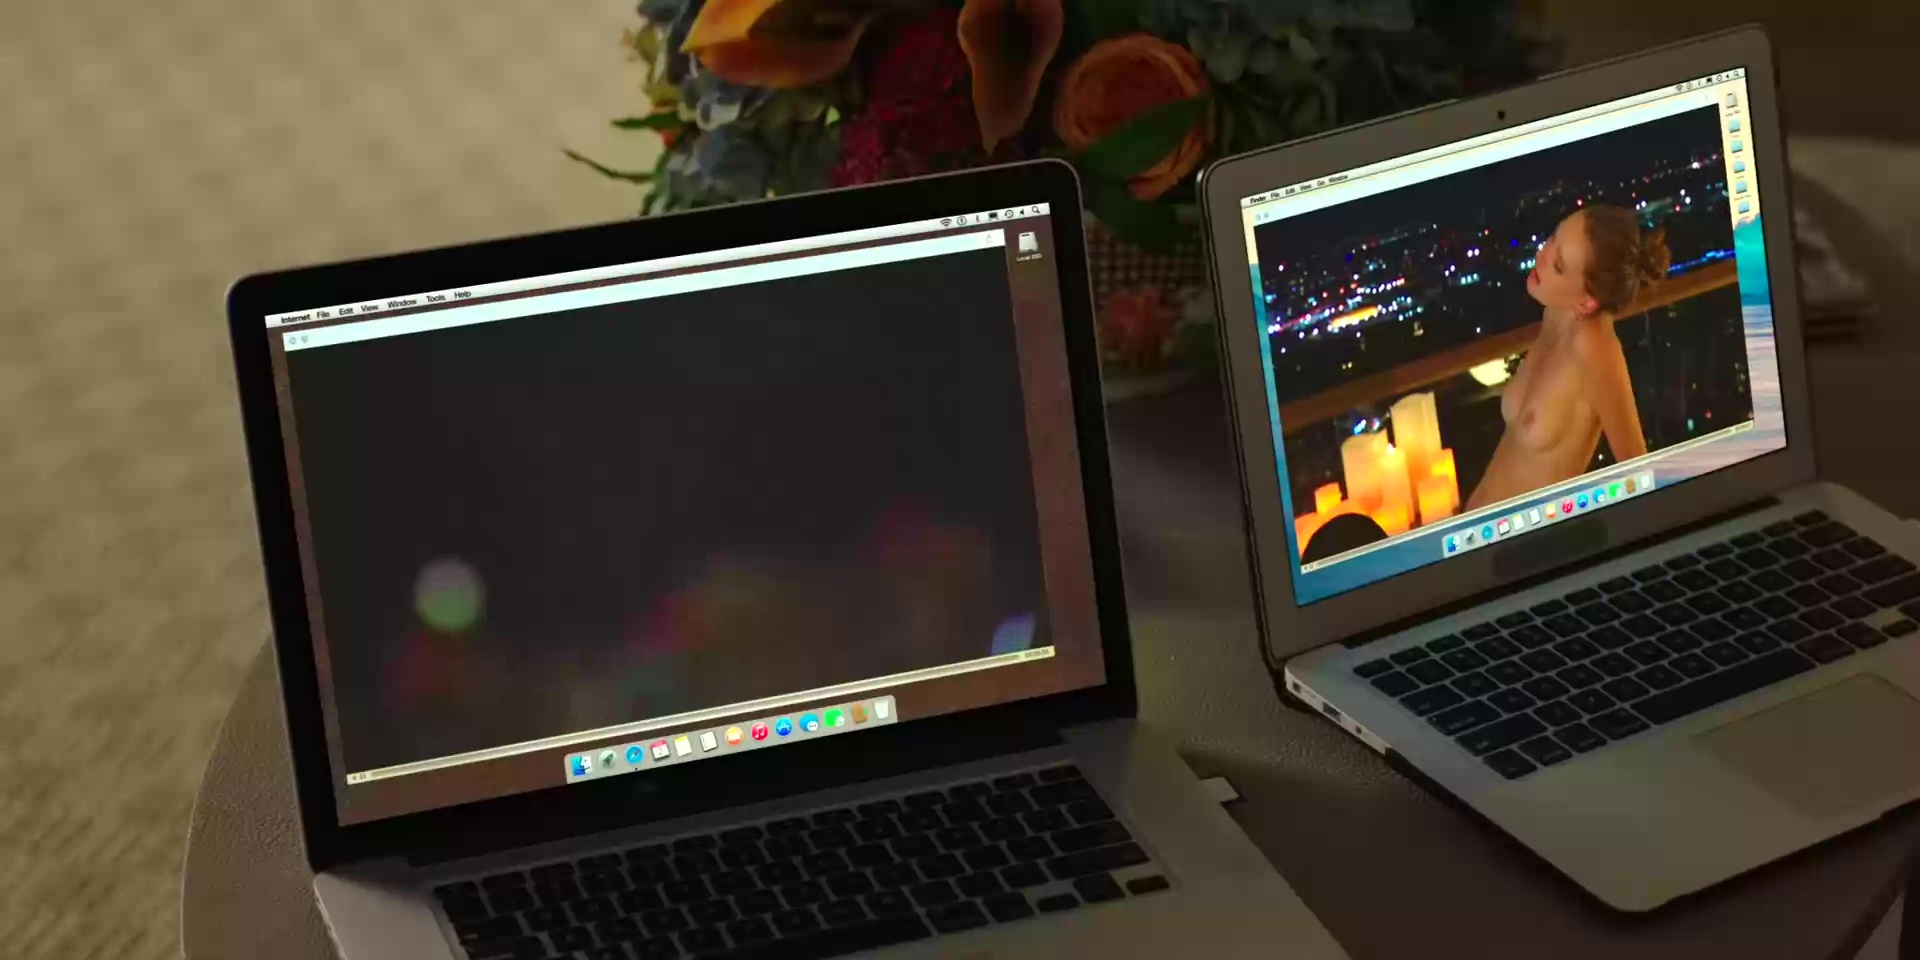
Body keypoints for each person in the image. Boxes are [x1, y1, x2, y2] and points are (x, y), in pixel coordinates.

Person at [1466, 205, 1666, 510]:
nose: (1541, 256)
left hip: (1532, 536)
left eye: (1558, 265)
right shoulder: (1556, 314)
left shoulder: (1595, 348)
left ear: (1587, 303)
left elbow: (1638, 470)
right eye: (1552, 238)